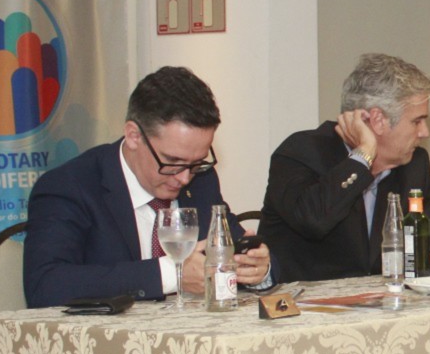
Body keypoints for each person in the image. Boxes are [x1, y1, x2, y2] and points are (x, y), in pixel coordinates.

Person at [23, 66, 271, 307]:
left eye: (196, 162)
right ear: (134, 136)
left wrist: (259, 269)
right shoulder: (70, 186)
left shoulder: (202, 180)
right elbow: (45, 285)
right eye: (172, 162)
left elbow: (240, 244)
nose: (185, 178)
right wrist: (172, 274)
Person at [257, 53, 430, 281]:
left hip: (382, 299)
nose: (424, 132)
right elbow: (314, 220)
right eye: (416, 121)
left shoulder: (414, 165)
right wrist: (362, 158)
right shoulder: (302, 152)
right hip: (305, 300)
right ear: (377, 120)